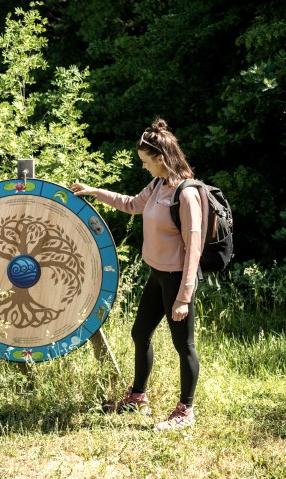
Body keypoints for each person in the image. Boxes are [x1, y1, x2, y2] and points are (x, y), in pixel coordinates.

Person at [72, 118, 206, 431]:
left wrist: (184, 297)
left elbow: (194, 250)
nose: (144, 167)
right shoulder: (158, 184)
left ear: (161, 158)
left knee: (183, 345)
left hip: (176, 279)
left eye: (146, 162)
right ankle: (138, 397)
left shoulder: (185, 195)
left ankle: (185, 411)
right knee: (140, 332)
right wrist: (94, 191)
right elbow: (132, 204)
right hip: (157, 274)